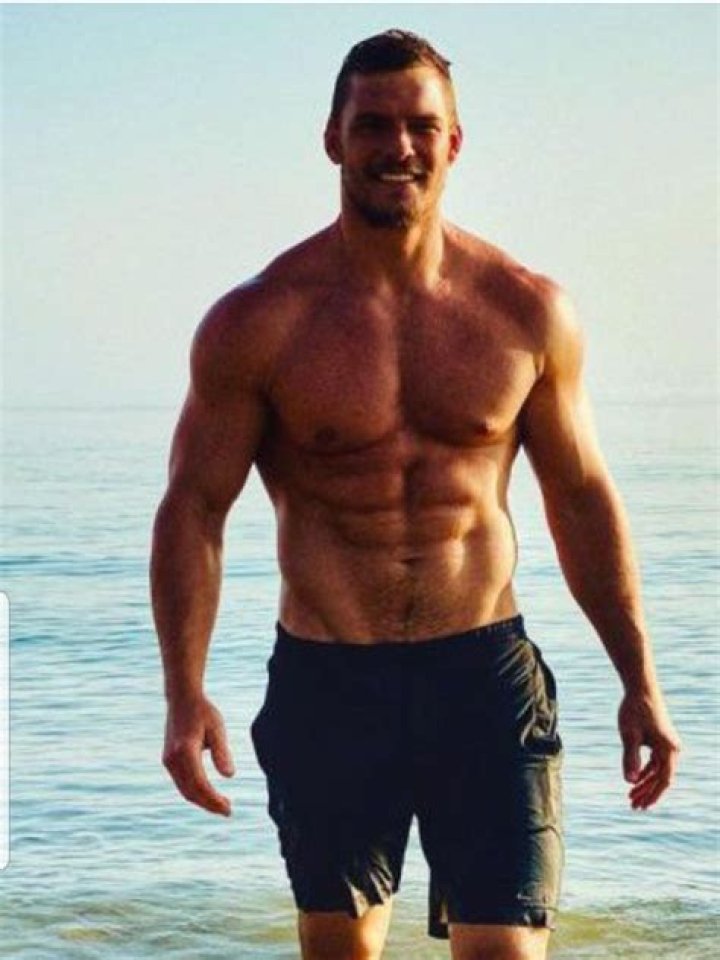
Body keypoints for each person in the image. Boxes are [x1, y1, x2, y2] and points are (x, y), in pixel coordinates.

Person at [150, 29, 681, 960]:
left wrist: (640, 680)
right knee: (341, 949)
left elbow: (582, 497)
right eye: (373, 125)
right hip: (329, 679)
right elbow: (194, 509)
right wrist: (183, 694)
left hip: (483, 675)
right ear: (333, 138)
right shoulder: (259, 322)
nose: (398, 147)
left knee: (504, 950)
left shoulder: (525, 311)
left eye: (421, 126)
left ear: (454, 141)